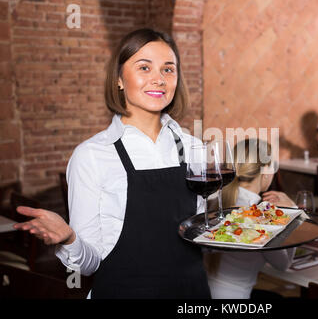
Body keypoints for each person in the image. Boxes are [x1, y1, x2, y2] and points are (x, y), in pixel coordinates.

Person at [13, 28, 211, 298]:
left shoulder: (194, 148)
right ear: (119, 79)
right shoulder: (92, 155)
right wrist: (69, 239)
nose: (159, 79)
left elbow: (202, 237)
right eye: (144, 67)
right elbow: (89, 264)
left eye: (168, 69)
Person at [205, 138, 296, 299]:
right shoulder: (258, 217)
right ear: (266, 170)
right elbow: (283, 264)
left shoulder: (211, 202)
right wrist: (293, 213)